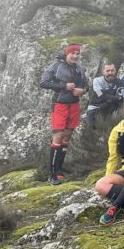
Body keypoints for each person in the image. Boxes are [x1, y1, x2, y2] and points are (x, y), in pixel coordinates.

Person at [40, 43, 88, 185]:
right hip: (59, 104)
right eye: (72, 53)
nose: (75, 56)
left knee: (67, 137)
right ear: (67, 54)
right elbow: (43, 82)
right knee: (58, 137)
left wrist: (83, 91)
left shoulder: (79, 68)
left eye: (77, 53)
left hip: (74, 104)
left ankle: (60, 170)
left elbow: (86, 85)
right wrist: (64, 86)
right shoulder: (55, 66)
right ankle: (52, 174)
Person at [86, 62, 124, 130]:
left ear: (115, 71)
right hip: (95, 107)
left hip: (110, 107)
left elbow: (122, 98)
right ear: (103, 72)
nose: (110, 72)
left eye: (112, 70)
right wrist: (117, 97)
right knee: (91, 129)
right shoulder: (97, 81)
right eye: (107, 71)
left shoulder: (119, 82)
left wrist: (117, 98)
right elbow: (100, 95)